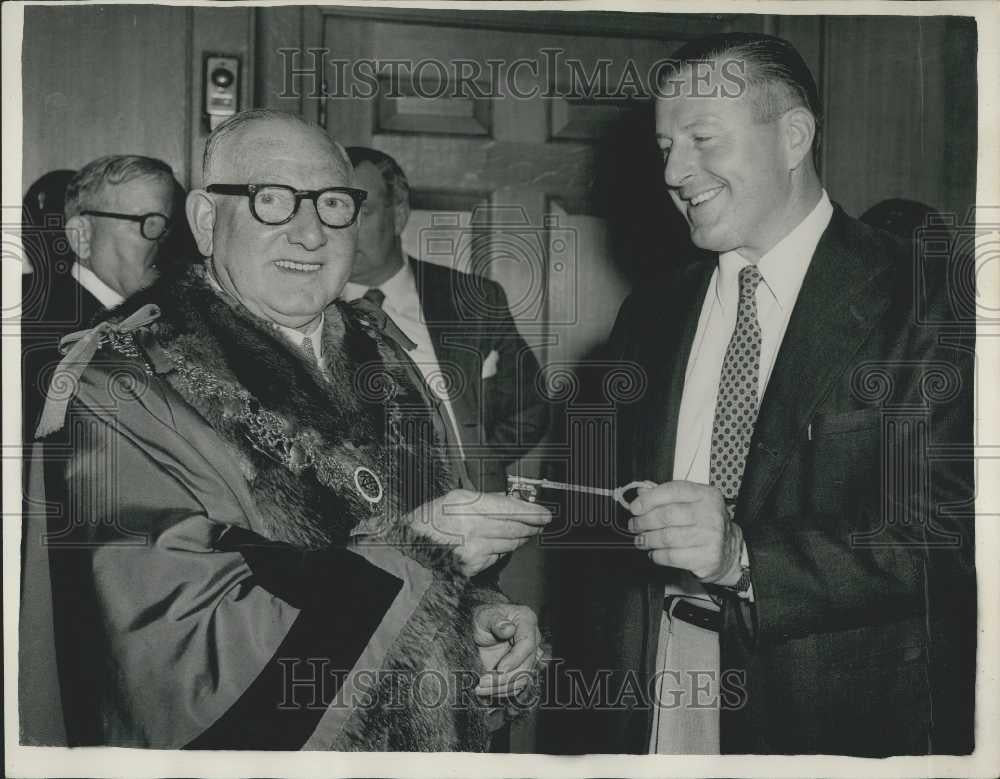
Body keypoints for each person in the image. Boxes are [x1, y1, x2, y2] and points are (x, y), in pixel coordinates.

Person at [20, 109, 549, 750]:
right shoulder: (128, 385)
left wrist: (477, 620)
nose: (309, 234)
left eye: (332, 204)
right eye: (272, 201)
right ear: (207, 222)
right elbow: (186, 667)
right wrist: (417, 552)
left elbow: (433, 554)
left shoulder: (388, 360)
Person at [547, 32, 974, 756]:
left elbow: (941, 534)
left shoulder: (927, 299)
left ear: (794, 137)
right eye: (664, 148)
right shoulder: (649, 314)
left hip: (830, 711)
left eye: (703, 139)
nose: (677, 172)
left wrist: (743, 557)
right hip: (659, 682)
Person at [342, 147, 549, 493]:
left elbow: (529, 404)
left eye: (362, 212)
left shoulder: (474, 298)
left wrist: (474, 468)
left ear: (399, 214)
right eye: (334, 210)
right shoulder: (304, 307)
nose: (344, 230)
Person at [21, 156, 175, 438]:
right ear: (81, 236)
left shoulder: (174, 318)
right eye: (148, 223)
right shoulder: (36, 340)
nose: (164, 242)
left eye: (168, 226)